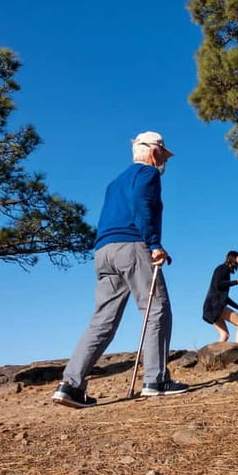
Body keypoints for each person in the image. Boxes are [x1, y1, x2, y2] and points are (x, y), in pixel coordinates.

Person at [52, 131, 187, 408]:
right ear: (154, 152)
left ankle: (70, 385)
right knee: (156, 309)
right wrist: (154, 244)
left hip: (104, 251)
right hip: (133, 246)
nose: (165, 161)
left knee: (102, 320)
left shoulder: (115, 182)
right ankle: (156, 380)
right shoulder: (148, 174)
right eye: (163, 155)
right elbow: (141, 203)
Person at [202, 251, 238, 344]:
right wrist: (236, 282)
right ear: (232, 258)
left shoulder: (223, 270)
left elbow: (224, 297)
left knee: (224, 335)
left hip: (210, 307)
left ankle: (214, 352)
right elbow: (219, 284)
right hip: (215, 306)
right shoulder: (224, 268)